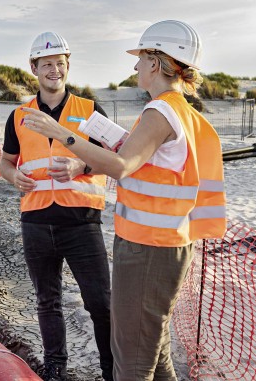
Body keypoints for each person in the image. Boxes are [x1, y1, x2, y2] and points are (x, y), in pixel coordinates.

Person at [21, 20, 227, 381]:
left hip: (148, 248)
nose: (134, 67)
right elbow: (150, 164)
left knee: (131, 360)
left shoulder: (161, 111)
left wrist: (60, 133)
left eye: (140, 58)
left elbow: (121, 166)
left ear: (155, 61)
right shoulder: (181, 111)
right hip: (168, 243)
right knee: (155, 350)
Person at [0, 31, 114, 381]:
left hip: (81, 222)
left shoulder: (91, 111)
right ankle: (55, 369)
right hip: (35, 222)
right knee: (47, 302)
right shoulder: (18, 115)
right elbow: (6, 162)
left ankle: (112, 371)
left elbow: (116, 158)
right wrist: (11, 177)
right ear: (34, 67)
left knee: (101, 305)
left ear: (67, 67)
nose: (54, 70)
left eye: (60, 64)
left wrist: (82, 165)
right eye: (47, 64)